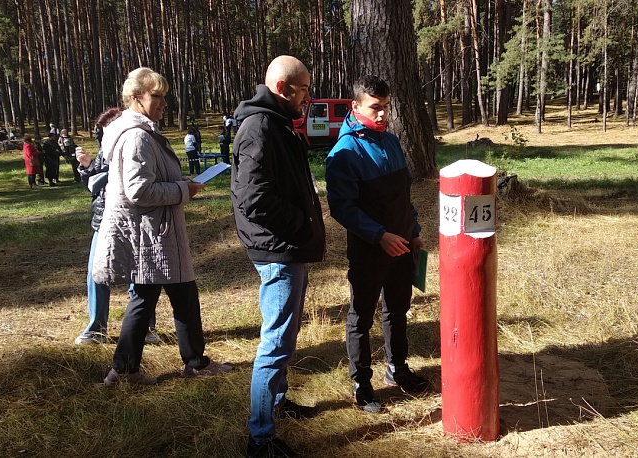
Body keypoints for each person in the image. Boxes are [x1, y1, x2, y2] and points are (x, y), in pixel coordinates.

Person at [92, 67, 231, 385]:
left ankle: (133, 368)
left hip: (157, 232)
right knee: (158, 297)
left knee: (169, 296)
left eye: (165, 96)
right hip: (152, 234)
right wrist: (185, 189)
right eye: (157, 96)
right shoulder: (138, 137)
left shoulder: (142, 133)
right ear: (136, 99)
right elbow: (138, 190)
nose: (164, 103)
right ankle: (134, 369)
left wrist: (180, 184)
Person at [231, 55, 326, 458]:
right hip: (278, 250)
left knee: (284, 338)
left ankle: (277, 402)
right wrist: (301, 223)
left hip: (287, 246)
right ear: (283, 88)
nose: (307, 96)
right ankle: (261, 438)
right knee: (275, 343)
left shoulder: (277, 123)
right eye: (303, 89)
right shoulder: (259, 128)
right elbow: (253, 198)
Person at [325, 75, 429, 414]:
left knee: (397, 311)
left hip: (402, 248)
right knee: (361, 317)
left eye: (386, 107)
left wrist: (412, 230)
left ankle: (397, 369)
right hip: (371, 250)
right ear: (355, 107)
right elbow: (342, 208)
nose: (383, 114)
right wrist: (379, 236)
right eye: (375, 108)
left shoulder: (392, 142)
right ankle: (362, 384)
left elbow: (403, 195)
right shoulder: (344, 152)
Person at [74, 107, 160, 346]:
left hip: (136, 220)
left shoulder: (137, 141)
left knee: (141, 276)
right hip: (103, 222)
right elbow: (95, 183)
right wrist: (86, 166)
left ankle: (145, 327)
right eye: (100, 134)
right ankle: (96, 329)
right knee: (97, 274)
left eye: (105, 132)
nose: (104, 138)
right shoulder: (106, 146)